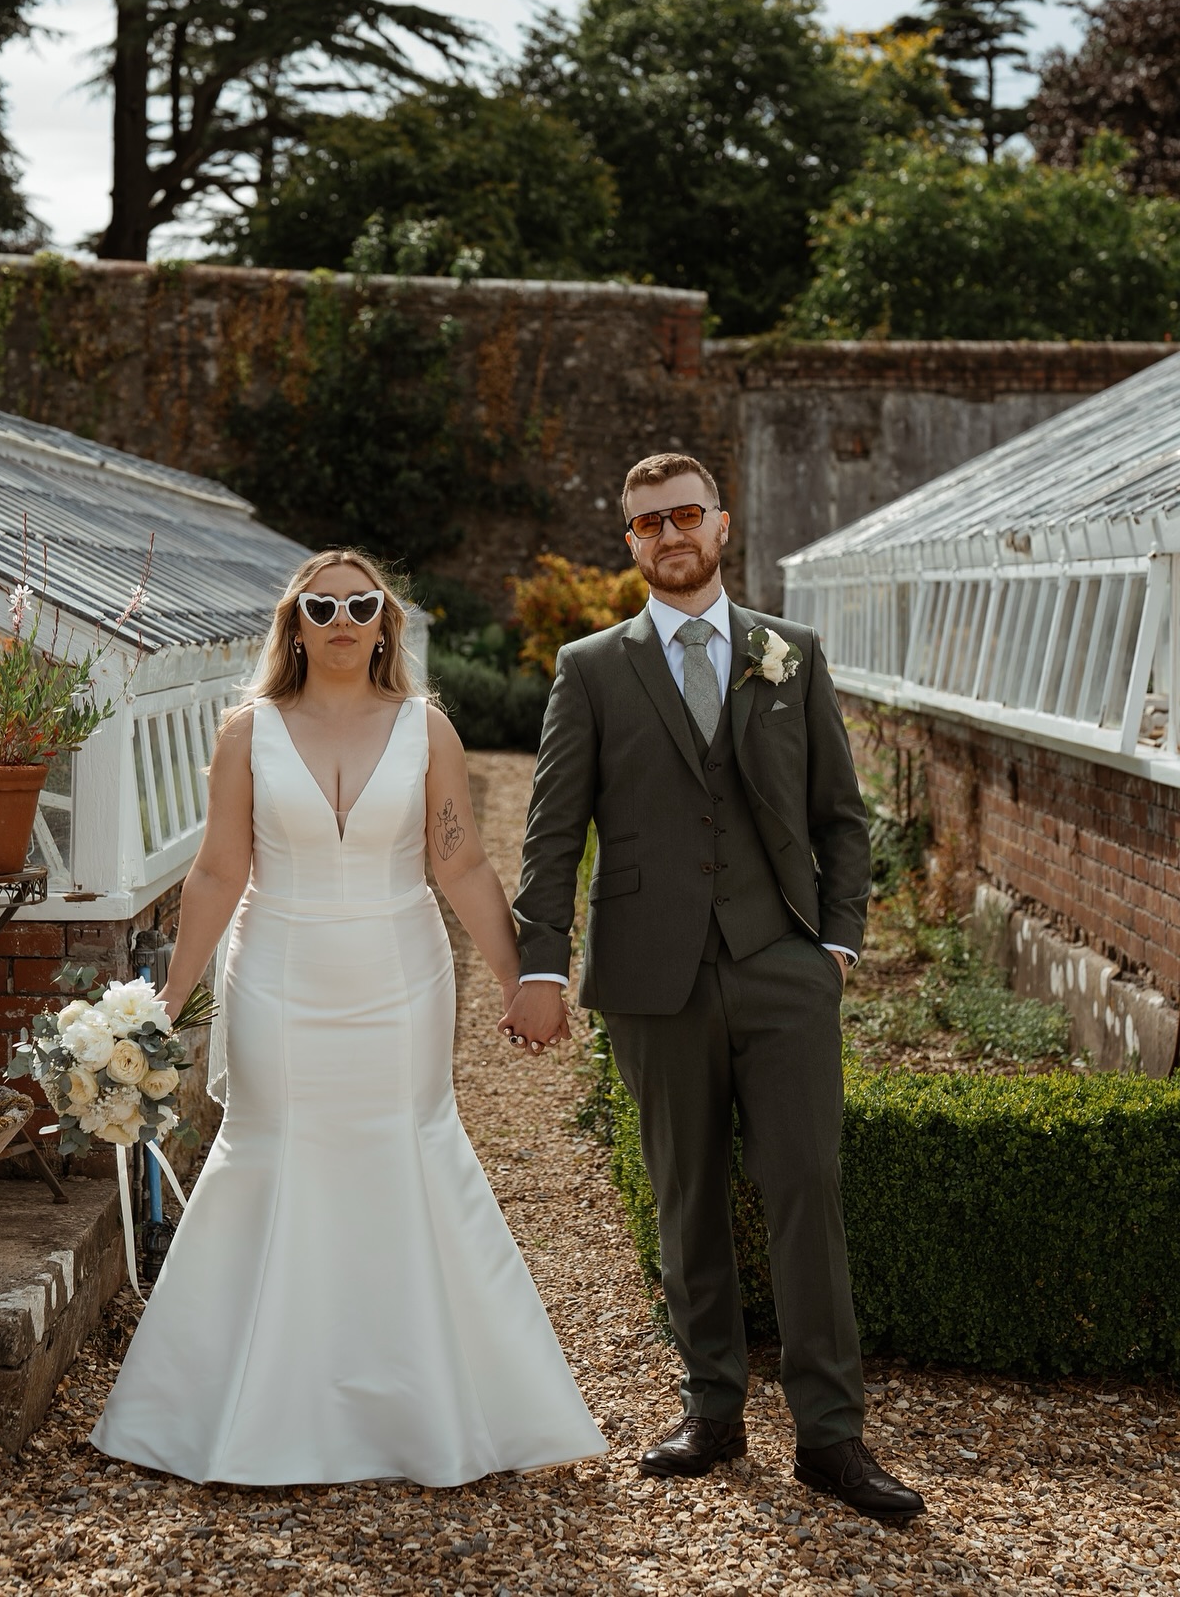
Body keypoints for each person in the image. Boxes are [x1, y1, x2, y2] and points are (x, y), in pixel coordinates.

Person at [91, 548, 605, 1487]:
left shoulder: (427, 728)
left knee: (408, 1152)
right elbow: (216, 872)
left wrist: (526, 978)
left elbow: (461, 866)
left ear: (384, 623)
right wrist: (164, 1003)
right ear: (293, 623)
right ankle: (241, 1410)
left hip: (398, 979)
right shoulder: (247, 731)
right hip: (276, 978)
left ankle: (424, 1409)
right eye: (319, 607)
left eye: (359, 605)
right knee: (268, 1154)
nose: (340, 620)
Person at [503, 453, 925, 1521]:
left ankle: (832, 1437)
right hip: (652, 973)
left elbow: (841, 815)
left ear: (722, 525)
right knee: (686, 1196)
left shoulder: (795, 653)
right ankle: (712, 1409)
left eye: (685, 514)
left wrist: (835, 947)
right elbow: (553, 832)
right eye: (647, 522)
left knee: (806, 1196)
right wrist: (542, 962)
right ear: (631, 542)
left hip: (783, 963)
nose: (668, 534)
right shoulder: (590, 667)